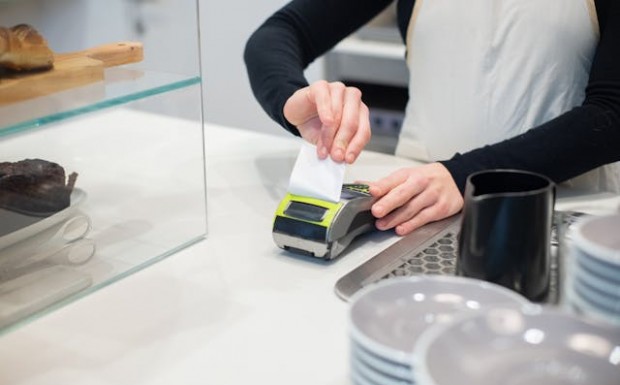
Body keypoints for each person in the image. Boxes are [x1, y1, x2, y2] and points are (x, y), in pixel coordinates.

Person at [244, 0, 620, 236]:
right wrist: (294, 99)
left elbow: (612, 114)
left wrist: (461, 176)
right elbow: (279, 33)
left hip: (562, 210)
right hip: (414, 204)